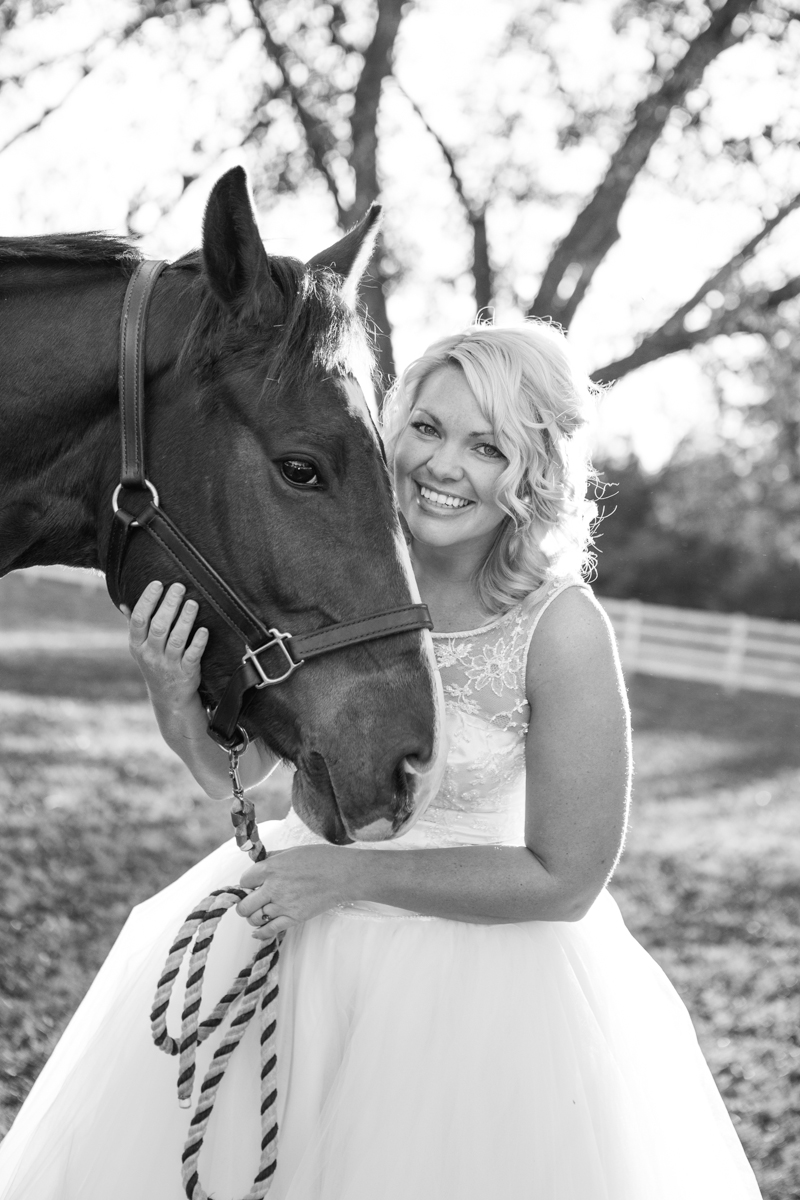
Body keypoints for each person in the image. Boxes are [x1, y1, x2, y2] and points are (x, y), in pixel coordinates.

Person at [0, 321, 762, 1200]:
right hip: (293, 929)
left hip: (480, 991)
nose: (444, 465)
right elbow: (238, 776)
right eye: (427, 428)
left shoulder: (559, 629)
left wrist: (349, 878)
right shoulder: (330, 570)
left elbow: (568, 878)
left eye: (488, 447)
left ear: (533, 471)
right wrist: (174, 696)